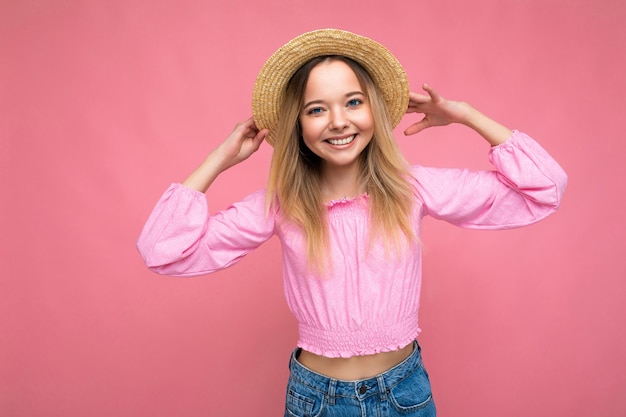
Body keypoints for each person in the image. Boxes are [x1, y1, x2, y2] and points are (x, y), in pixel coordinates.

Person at [137, 29, 567, 417]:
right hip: (315, 399)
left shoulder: (412, 188)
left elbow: (544, 189)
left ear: (374, 110)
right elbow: (162, 252)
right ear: (298, 125)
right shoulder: (278, 206)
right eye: (317, 109)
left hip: (405, 394)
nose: (339, 121)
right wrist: (219, 160)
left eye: (353, 102)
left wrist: (468, 115)